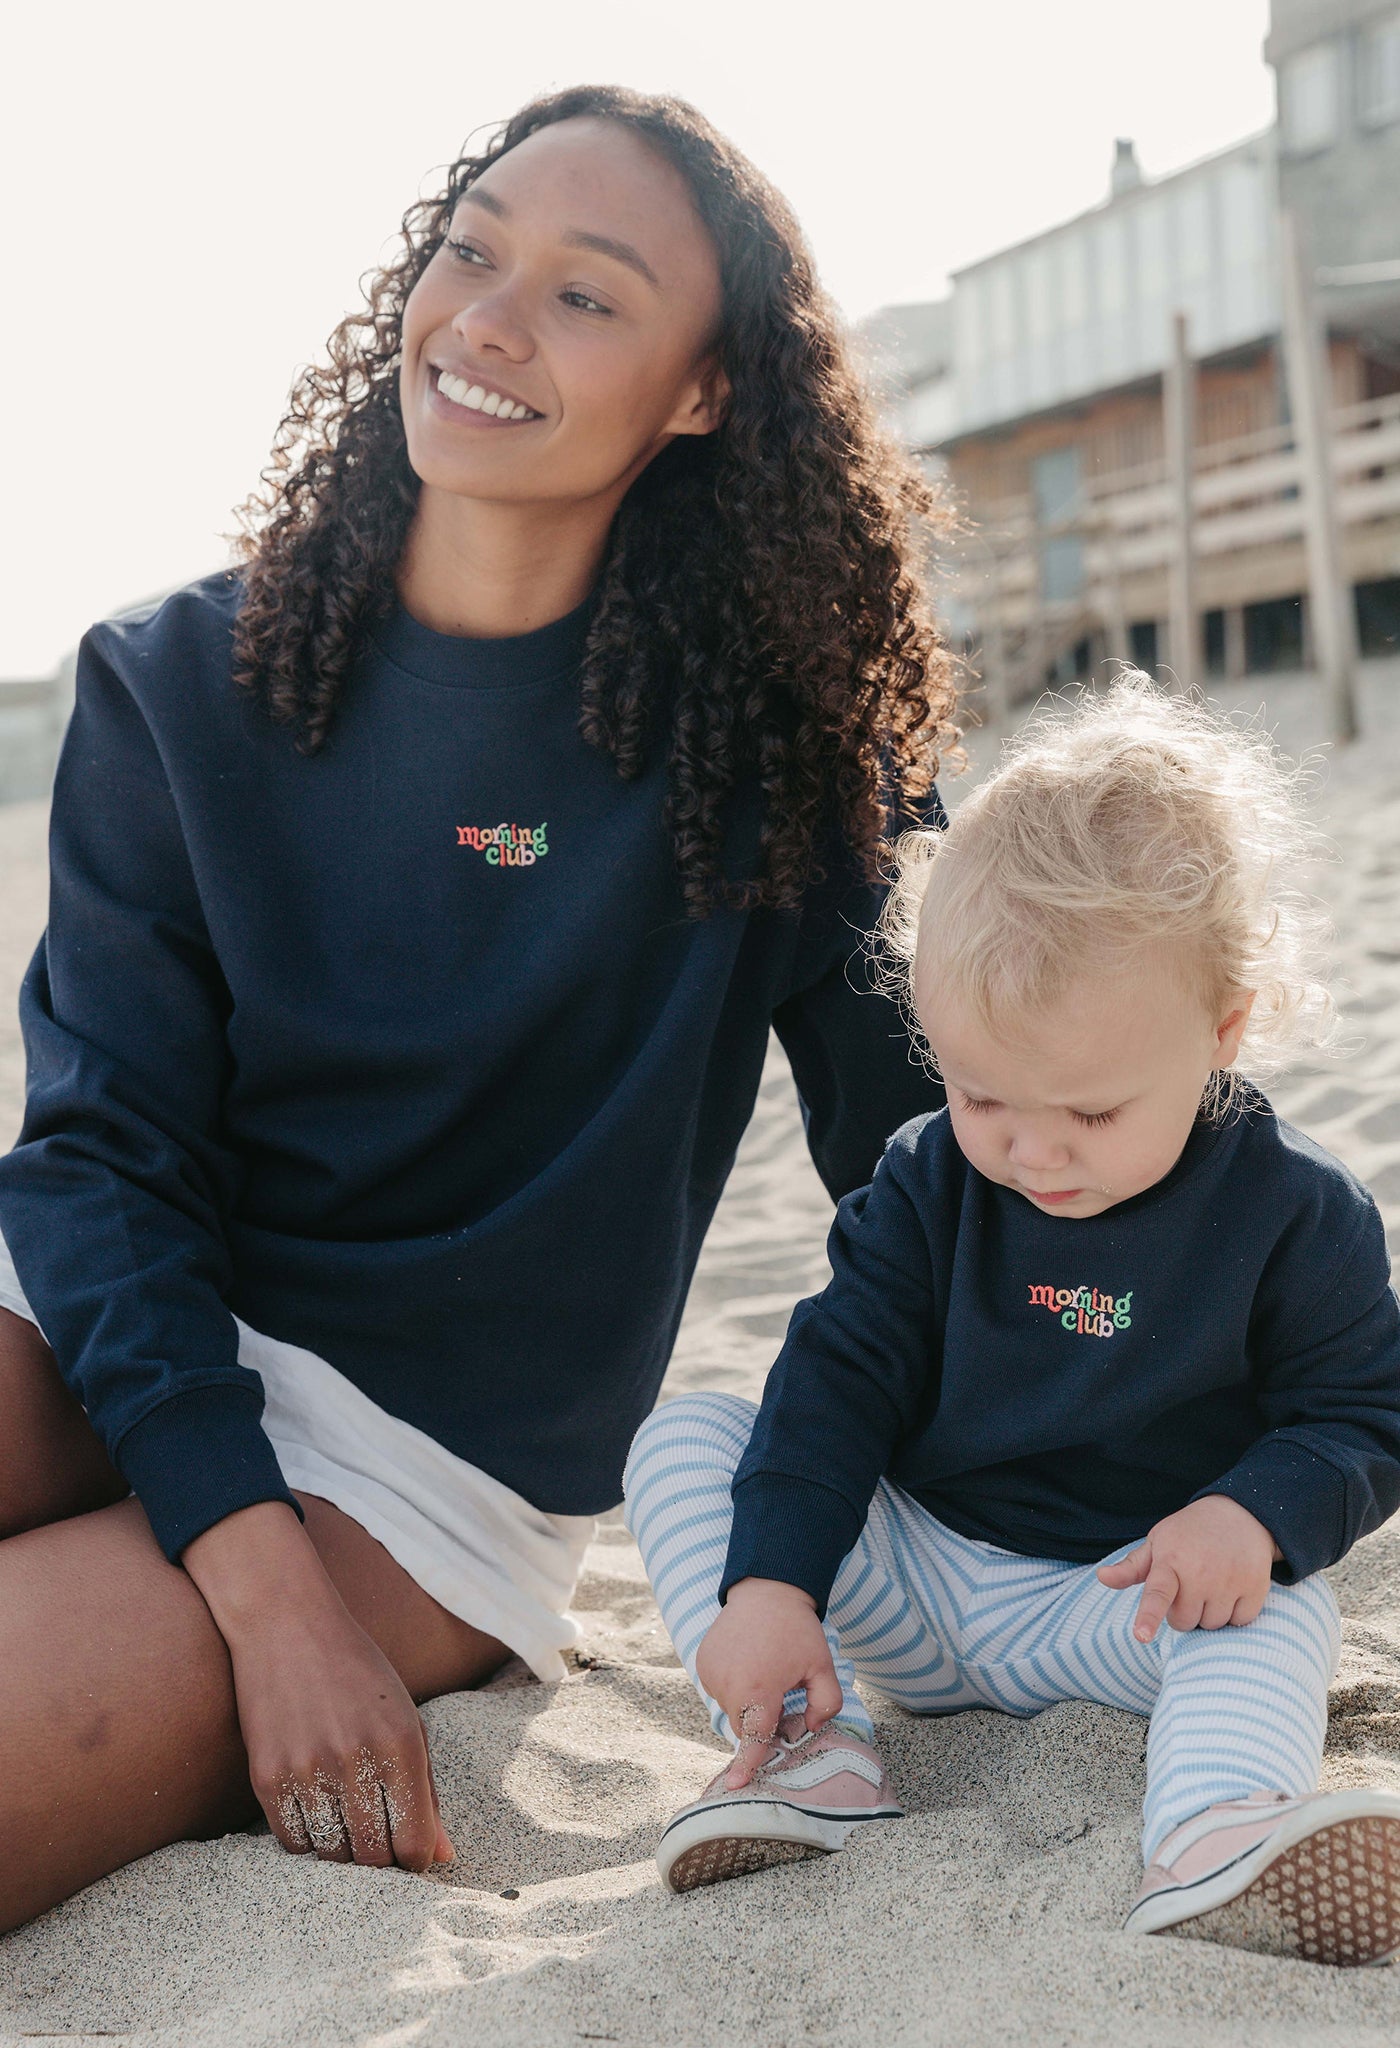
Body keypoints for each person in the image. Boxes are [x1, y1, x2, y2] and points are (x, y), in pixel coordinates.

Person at [0, 86, 955, 1931]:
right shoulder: (169, 685)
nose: (492, 320)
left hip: (421, 1460)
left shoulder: (790, 753)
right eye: (473, 250)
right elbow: (102, 1157)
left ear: (704, 393)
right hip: (119, 1312)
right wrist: (265, 1603)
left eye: (589, 296)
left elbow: (931, 1162)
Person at [625, 679, 1400, 1964]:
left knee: (1279, 1611)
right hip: (913, 1587)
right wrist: (771, 1582)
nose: (1032, 1149)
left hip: (1123, 1599)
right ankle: (804, 1745)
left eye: (1090, 1114)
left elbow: (1364, 1415)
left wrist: (1250, 1513)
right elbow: (833, 1384)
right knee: (689, 1434)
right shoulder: (929, 1177)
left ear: (1221, 1028)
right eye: (982, 1093)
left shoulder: (1292, 1210)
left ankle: (1215, 1830)